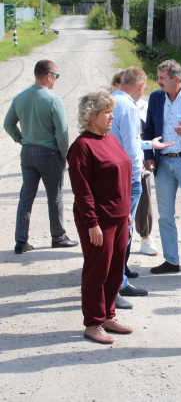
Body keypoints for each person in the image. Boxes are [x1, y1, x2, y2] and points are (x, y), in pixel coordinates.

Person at [67, 89, 134, 344]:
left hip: (119, 217)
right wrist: (92, 224)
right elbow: (81, 190)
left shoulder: (111, 140)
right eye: (106, 113)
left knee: (116, 270)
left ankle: (108, 315)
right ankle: (93, 322)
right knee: (98, 271)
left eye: (111, 112)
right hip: (98, 221)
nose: (111, 117)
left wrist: (126, 213)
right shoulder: (82, 147)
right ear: (91, 116)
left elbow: (124, 178)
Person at [110, 67, 174, 309]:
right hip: (127, 178)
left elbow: (128, 139)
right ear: (139, 85)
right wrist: (137, 176)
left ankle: (121, 279)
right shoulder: (128, 107)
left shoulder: (114, 100)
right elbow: (129, 148)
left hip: (115, 175)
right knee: (122, 234)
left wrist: (150, 143)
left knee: (121, 233)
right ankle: (117, 285)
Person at [3, 59, 78, 254]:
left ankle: (21, 241)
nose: (56, 80)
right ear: (48, 75)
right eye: (56, 76)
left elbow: (8, 124)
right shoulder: (54, 101)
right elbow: (62, 134)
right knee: (54, 196)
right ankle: (58, 236)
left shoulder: (20, 98)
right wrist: (65, 156)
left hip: (27, 153)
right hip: (49, 154)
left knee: (26, 196)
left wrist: (21, 139)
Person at [144, 60, 181, 275]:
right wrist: (148, 155)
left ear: (176, 80)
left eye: (162, 78)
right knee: (165, 215)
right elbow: (149, 128)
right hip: (163, 164)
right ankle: (171, 261)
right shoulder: (155, 97)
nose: (158, 81)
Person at [135, 96, 158, 255]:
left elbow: (148, 131)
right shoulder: (114, 105)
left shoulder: (143, 105)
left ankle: (145, 237)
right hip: (116, 162)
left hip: (139, 160)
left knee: (144, 201)